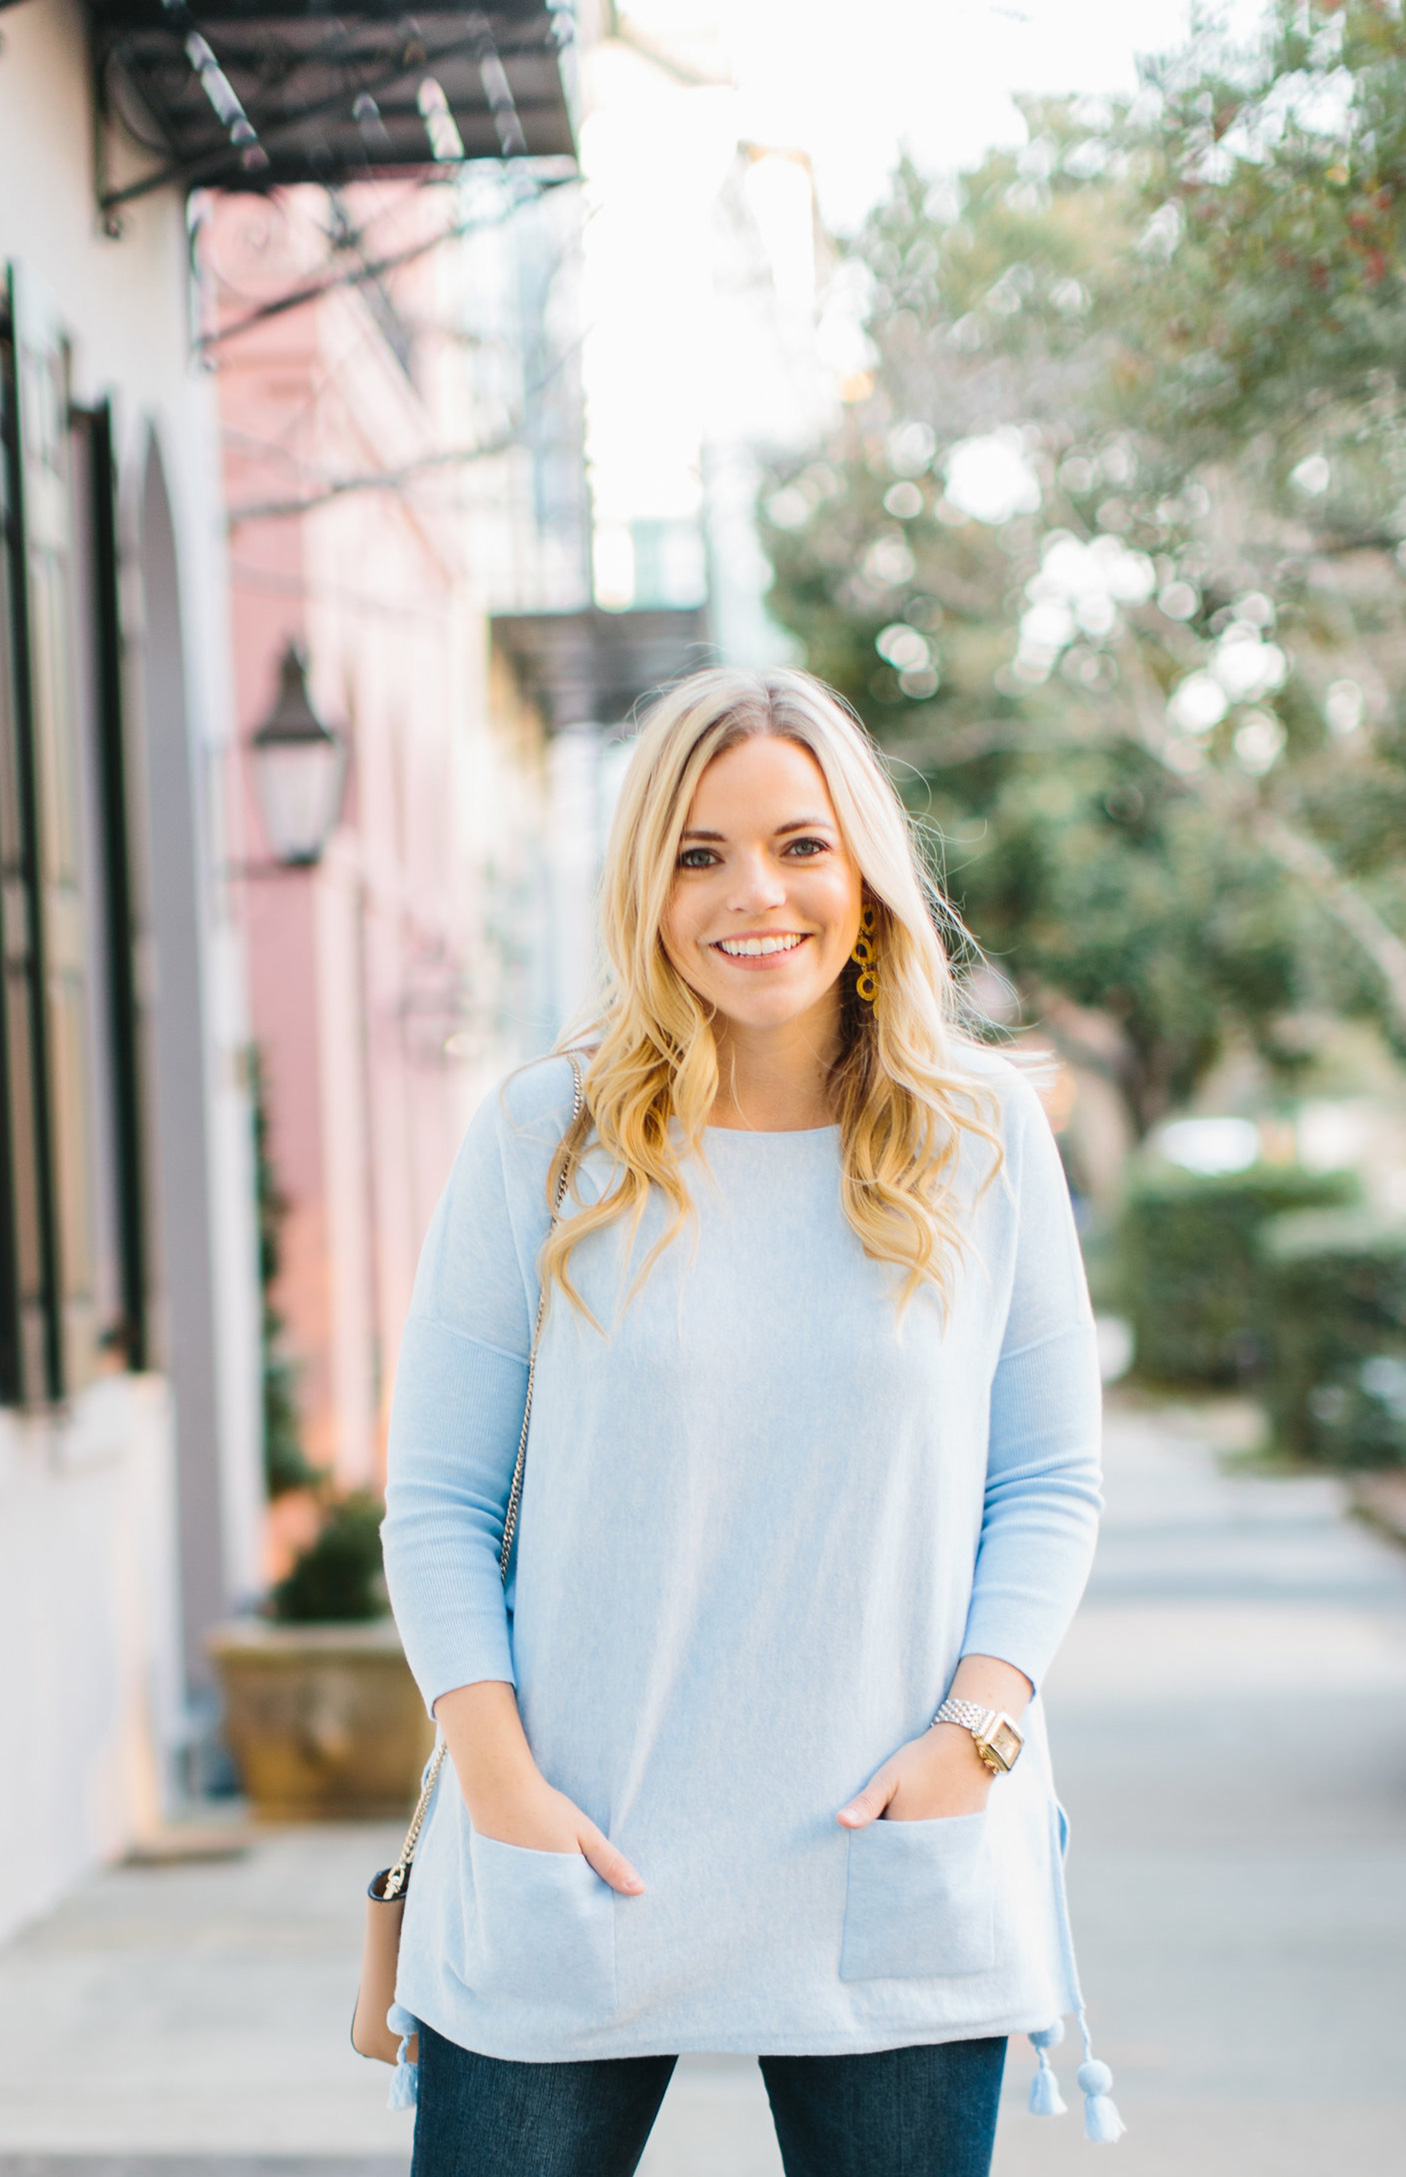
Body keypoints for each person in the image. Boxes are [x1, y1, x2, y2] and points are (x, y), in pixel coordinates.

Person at [381, 668, 1119, 2177]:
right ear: (645, 882)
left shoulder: (982, 1137)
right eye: (698, 852)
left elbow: (1049, 1478)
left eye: (799, 843)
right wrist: (502, 1785)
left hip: (884, 1849)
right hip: (573, 1848)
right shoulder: (545, 1135)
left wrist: (974, 1735)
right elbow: (438, 1500)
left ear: (865, 871)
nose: (753, 894)